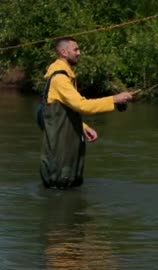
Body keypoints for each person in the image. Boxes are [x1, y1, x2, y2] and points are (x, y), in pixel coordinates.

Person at [40, 36, 133, 189]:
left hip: (65, 149)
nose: (79, 53)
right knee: (60, 188)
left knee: (68, 186)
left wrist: (83, 127)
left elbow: (65, 110)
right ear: (63, 52)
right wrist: (114, 100)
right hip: (60, 154)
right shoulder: (60, 79)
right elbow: (82, 106)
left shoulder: (64, 76)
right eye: (75, 49)